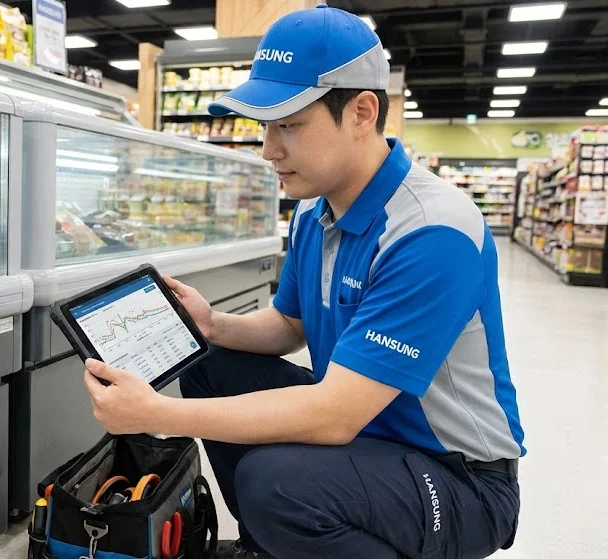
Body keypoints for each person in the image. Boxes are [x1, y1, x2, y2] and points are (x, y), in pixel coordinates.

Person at [81, 5, 524, 558]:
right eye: (266, 126)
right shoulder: (316, 212)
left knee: (277, 482)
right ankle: (277, 541)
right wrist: (213, 324)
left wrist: (156, 415)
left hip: (459, 477)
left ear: (363, 112)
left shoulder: (433, 231)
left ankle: (295, 526)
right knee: (208, 364)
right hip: (370, 435)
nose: (269, 149)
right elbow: (289, 324)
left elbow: (334, 415)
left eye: (289, 125)